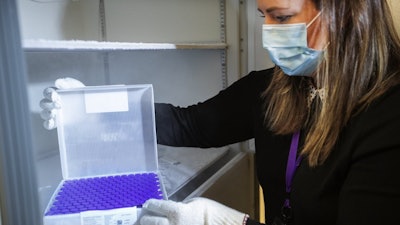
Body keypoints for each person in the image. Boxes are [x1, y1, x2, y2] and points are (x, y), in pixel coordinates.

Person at [40, 0, 400, 224]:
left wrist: (224, 222)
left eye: (281, 17)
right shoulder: (271, 88)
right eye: (263, 16)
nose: (267, 35)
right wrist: (90, 107)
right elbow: (190, 125)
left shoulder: (387, 113)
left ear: (345, 12)